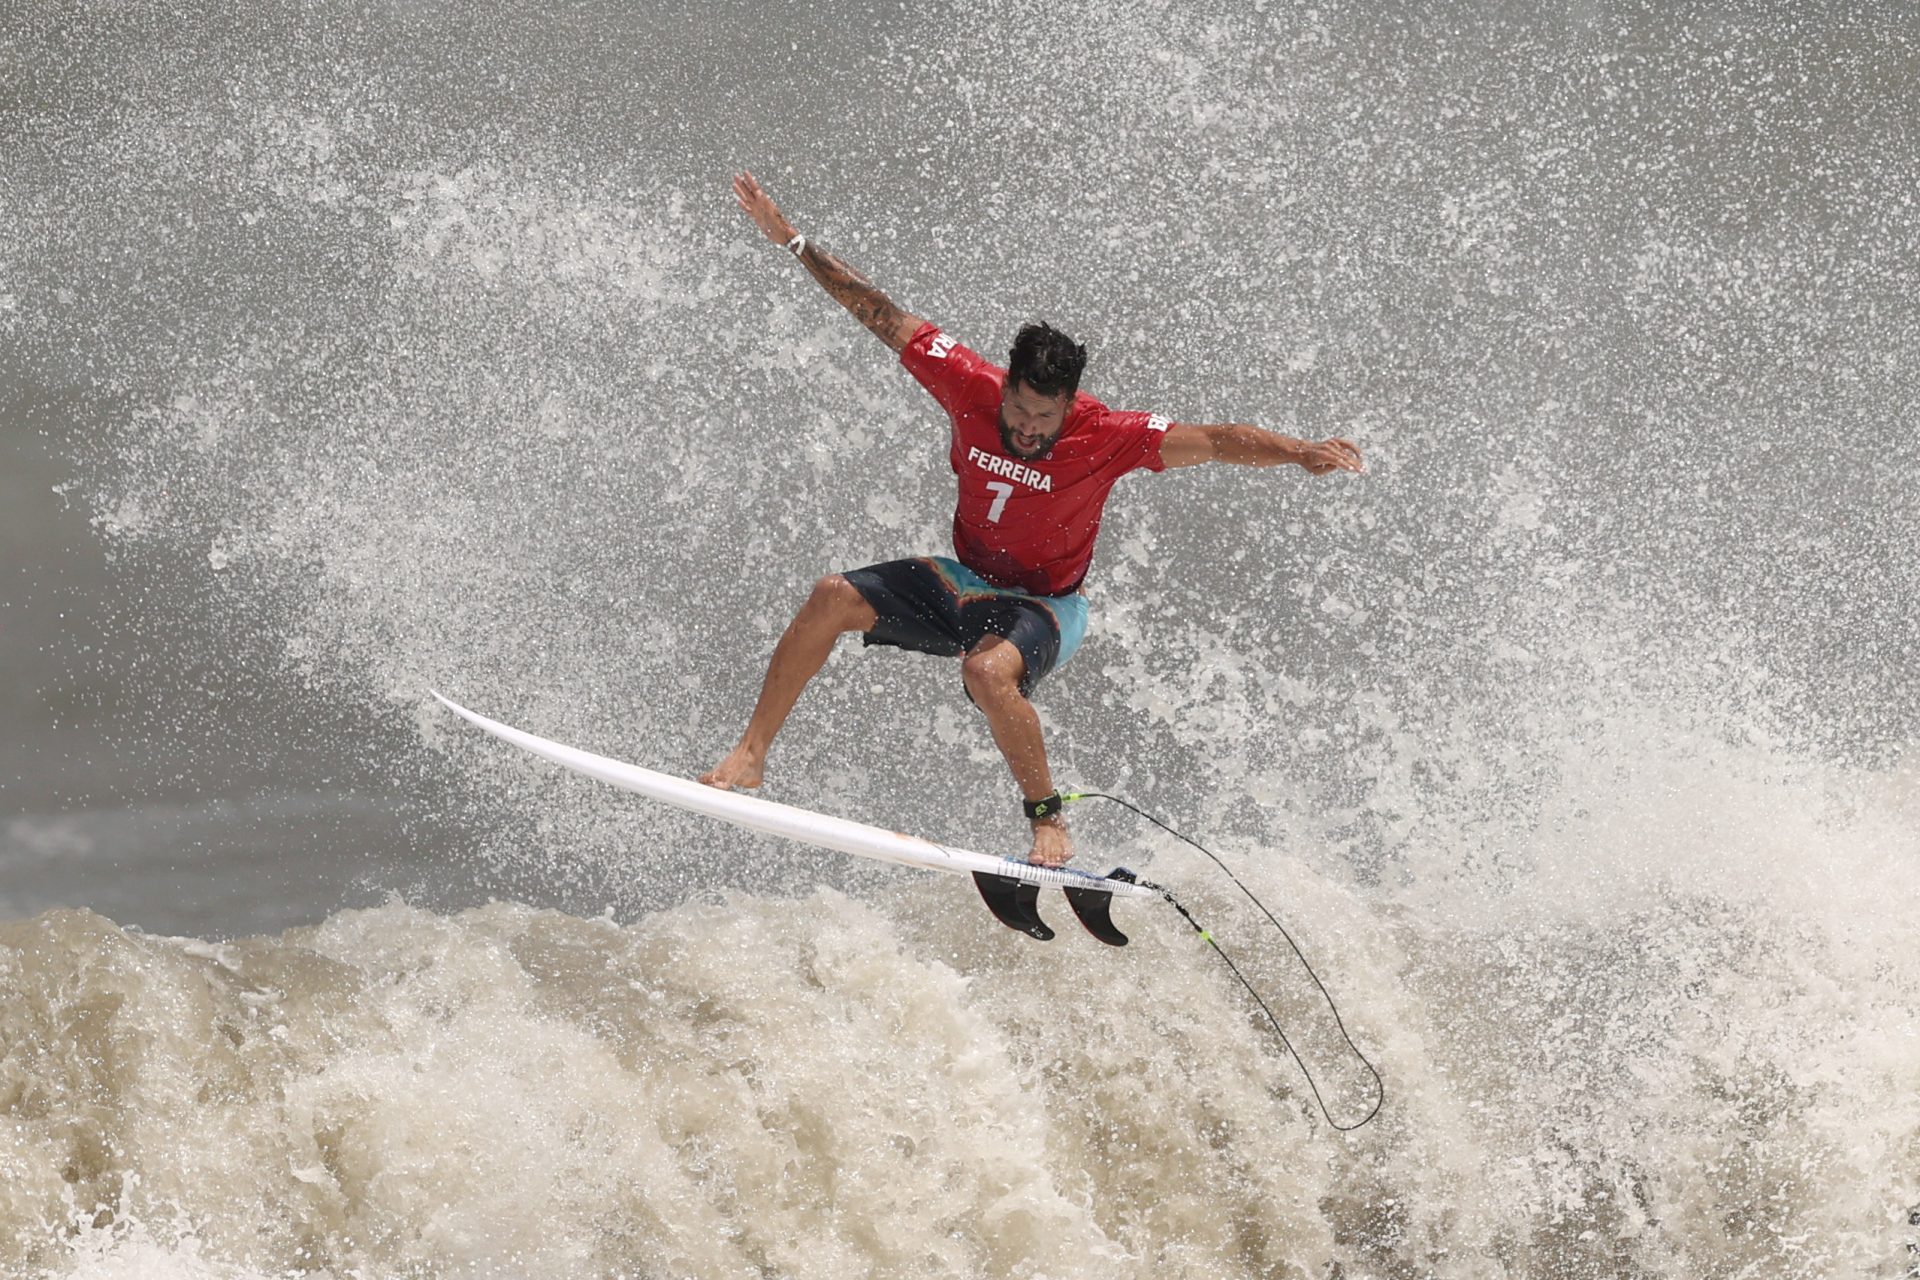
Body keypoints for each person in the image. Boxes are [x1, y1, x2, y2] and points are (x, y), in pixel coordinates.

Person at [702, 172, 1363, 868]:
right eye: (1017, 410)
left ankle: (1048, 822)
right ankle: (751, 754)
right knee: (833, 595)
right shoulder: (968, 383)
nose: (1025, 427)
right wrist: (793, 240)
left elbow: (1220, 439)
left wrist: (1300, 453)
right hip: (963, 582)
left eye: (1043, 418)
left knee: (988, 675)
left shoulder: (1109, 435)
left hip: (1046, 606)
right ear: (1007, 384)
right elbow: (877, 310)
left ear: (1070, 404)